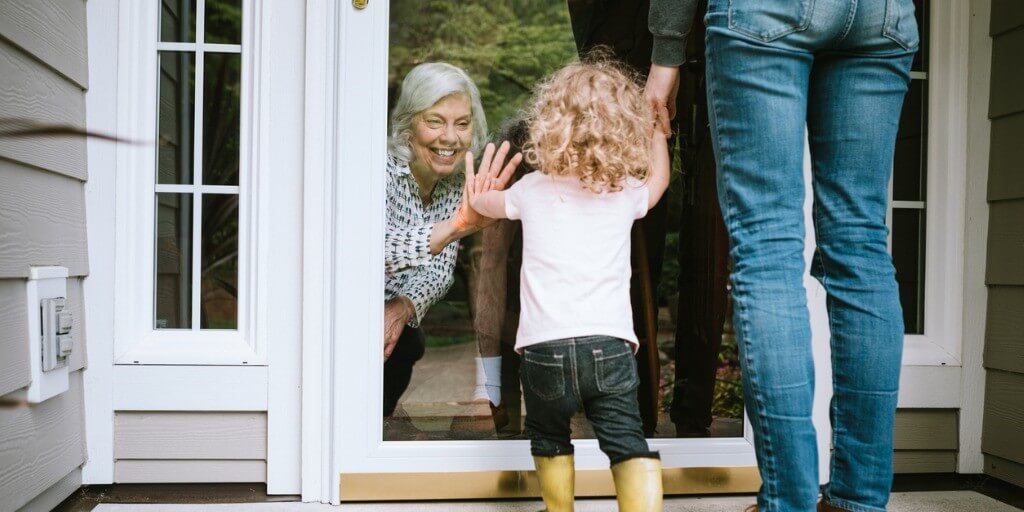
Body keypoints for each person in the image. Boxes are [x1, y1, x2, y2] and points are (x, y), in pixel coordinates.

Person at [645, 1, 918, 511]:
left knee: (767, 249)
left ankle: (788, 503)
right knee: (860, 246)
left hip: (767, 12)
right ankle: (858, 501)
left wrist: (666, 52)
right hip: (884, 15)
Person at [470, 59, 671, 512]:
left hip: (544, 347)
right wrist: (659, 132)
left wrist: (476, 185)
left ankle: (559, 509)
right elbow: (658, 184)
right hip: (611, 346)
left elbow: (485, 203)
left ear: (550, 122)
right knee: (626, 441)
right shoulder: (622, 191)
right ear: (623, 127)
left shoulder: (532, 189)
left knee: (547, 434)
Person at [383, 62, 521, 417]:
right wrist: (457, 226)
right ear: (408, 125)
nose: (449, 138)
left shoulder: (454, 184)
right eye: (435, 121)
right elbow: (371, 252)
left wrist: (402, 307)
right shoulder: (379, 171)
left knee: (408, 342)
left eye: (462, 124)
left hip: (387, 321)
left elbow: (440, 272)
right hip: (340, 320)